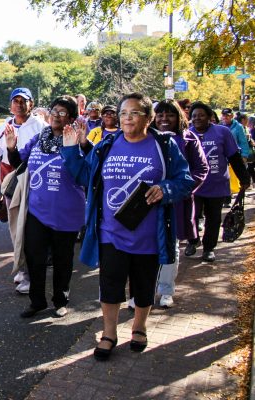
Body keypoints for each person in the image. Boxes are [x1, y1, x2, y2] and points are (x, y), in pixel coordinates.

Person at [62, 92, 194, 361]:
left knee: (143, 286)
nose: (127, 118)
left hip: (149, 233)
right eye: (123, 113)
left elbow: (185, 180)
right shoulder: (107, 145)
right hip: (112, 232)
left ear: (148, 118)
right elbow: (85, 176)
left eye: (134, 112)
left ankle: (139, 326)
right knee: (110, 284)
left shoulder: (165, 145)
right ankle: (109, 333)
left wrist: (165, 189)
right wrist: (69, 150)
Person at [6, 95, 89, 318]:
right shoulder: (39, 137)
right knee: (35, 256)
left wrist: (80, 145)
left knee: (62, 259)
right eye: (54, 111)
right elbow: (20, 164)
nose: (56, 116)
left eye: (62, 113)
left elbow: (85, 176)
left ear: (71, 118)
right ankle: (37, 301)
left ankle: (60, 300)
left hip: (66, 212)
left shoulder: (77, 141)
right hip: (37, 210)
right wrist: (12, 149)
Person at [150, 99, 209, 308]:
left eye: (170, 115)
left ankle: (166, 290)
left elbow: (201, 170)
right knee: (146, 248)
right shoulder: (146, 137)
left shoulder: (188, 139)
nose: (164, 119)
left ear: (178, 117)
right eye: (160, 115)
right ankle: (143, 291)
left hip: (175, 202)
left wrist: (177, 190)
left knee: (171, 245)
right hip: (148, 203)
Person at [0, 87, 47, 294]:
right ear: (10, 104)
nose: (19, 104)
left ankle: (30, 273)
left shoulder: (41, 126)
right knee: (15, 229)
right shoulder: (3, 127)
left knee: (30, 230)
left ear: (31, 104)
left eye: (24, 101)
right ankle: (23, 271)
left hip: (34, 182)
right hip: (10, 183)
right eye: (16, 101)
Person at [185, 102, 250, 262]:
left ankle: (209, 248)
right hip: (194, 186)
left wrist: (244, 178)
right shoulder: (186, 134)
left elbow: (234, 157)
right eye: (194, 116)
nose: (197, 118)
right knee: (190, 216)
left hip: (217, 185)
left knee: (213, 218)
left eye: (201, 115)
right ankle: (192, 241)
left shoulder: (222, 132)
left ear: (210, 117)